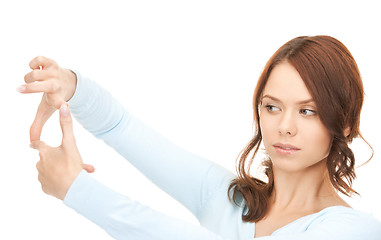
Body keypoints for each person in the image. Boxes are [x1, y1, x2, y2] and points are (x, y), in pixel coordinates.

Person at [18, 35, 381, 239]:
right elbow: (120, 126)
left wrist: (78, 190)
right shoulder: (229, 200)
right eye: (272, 107)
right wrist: (71, 87)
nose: (285, 126)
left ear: (345, 122)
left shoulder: (355, 230)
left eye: (308, 111)